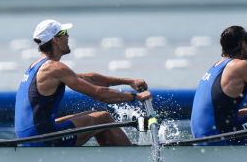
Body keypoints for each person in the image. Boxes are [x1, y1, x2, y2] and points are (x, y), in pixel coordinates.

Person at [14, 19, 151, 146]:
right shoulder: (55, 68)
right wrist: (135, 97)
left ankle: (113, 155)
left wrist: (129, 81)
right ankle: (130, 159)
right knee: (103, 118)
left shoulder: (37, 66)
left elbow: (90, 78)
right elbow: (100, 95)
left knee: (96, 117)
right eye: (64, 33)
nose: (68, 37)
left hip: (28, 135)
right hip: (40, 138)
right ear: (55, 40)